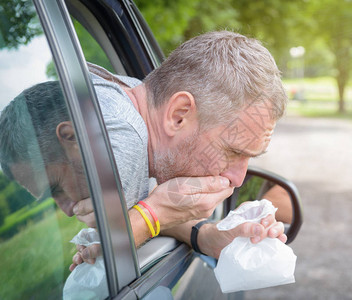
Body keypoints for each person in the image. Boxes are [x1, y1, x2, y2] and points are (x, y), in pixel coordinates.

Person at [0, 31, 289, 268]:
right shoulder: (125, 133)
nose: (238, 178)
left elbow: (130, 219)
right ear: (178, 114)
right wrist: (155, 212)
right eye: (233, 152)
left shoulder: (125, 112)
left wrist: (206, 235)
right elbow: (112, 244)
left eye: (56, 187)